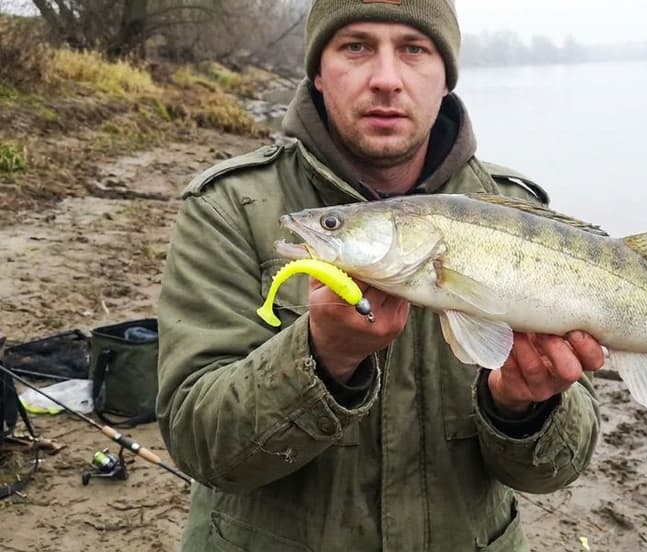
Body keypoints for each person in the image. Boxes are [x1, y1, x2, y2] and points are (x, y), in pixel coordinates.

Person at [157, 1, 604, 550]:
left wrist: (522, 407)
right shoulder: (228, 206)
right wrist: (321, 358)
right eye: (356, 46)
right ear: (318, 73)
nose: (386, 79)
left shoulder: (519, 212)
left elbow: (555, 471)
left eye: (414, 49)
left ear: (446, 77)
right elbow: (199, 446)